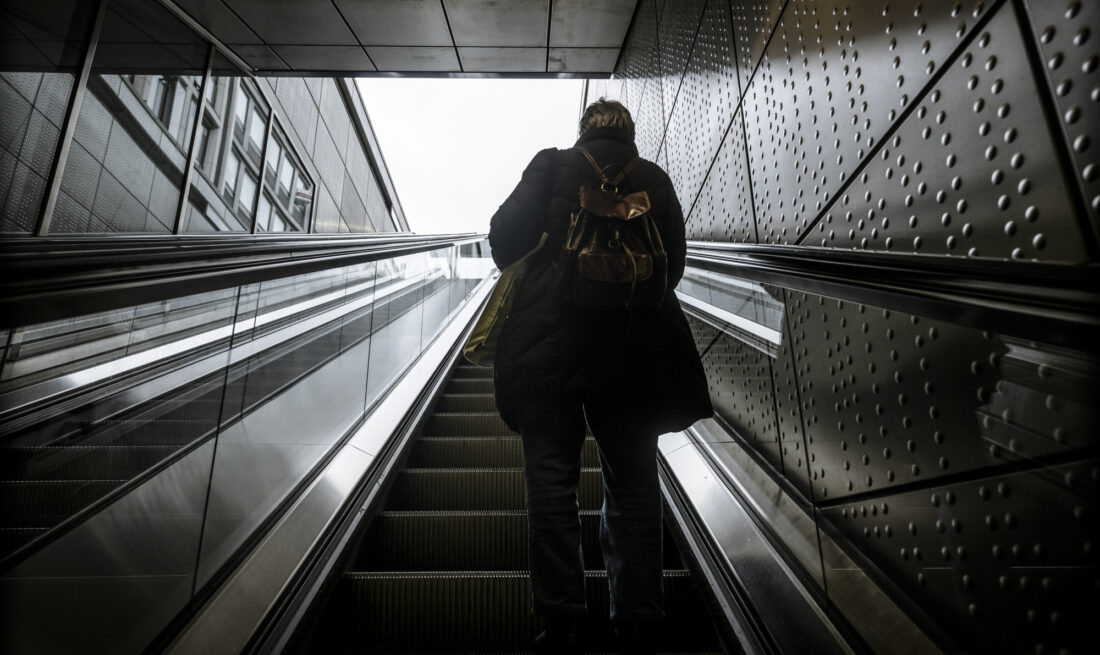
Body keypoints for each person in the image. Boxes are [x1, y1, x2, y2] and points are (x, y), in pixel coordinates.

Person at [488, 99, 713, 654]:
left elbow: (504, 239)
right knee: (634, 484)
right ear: (629, 136)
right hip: (634, 353)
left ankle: (560, 620)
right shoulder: (654, 178)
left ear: (583, 131)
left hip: (547, 347)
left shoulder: (553, 164)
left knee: (551, 482)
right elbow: (674, 267)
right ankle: (637, 619)